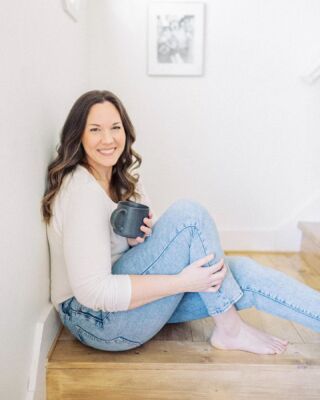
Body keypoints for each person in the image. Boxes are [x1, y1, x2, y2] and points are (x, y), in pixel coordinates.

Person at [41, 90, 320, 354]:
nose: (108, 139)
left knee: (238, 272)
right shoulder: (82, 193)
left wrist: (134, 241)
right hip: (95, 321)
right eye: (95, 129)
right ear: (78, 135)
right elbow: (94, 293)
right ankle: (230, 329)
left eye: (116, 127)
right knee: (189, 217)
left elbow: (123, 254)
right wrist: (181, 282)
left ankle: (239, 326)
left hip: (123, 304)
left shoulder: (122, 181)